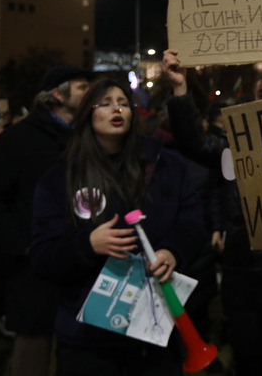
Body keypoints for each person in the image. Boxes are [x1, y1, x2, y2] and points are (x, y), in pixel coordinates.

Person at [29, 78, 204, 375]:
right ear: (88, 114)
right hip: (88, 338)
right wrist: (87, 245)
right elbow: (43, 256)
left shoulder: (166, 166)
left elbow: (193, 222)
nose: (117, 109)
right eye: (106, 103)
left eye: (123, 103)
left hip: (154, 331)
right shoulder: (59, 179)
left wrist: (174, 252)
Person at [161, 49, 262, 376]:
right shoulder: (232, 148)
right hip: (246, 269)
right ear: (252, 101)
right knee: (249, 357)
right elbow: (194, 142)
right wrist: (180, 89)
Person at [0, 64, 92, 376]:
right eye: (82, 87)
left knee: (82, 347)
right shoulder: (20, 138)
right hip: (35, 270)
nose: (91, 94)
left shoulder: (91, 137)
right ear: (57, 95)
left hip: (84, 261)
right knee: (33, 349)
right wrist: (24, 245)